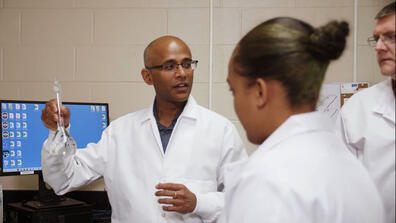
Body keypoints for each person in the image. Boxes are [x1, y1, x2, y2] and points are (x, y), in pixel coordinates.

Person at [41, 35, 247, 223]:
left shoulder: (220, 130)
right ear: (147, 76)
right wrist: (57, 132)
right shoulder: (120, 132)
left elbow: (244, 200)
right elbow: (63, 180)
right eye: (170, 66)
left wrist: (198, 202)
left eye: (187, 64)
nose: (182, 73)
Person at [219, 17, 385, 223]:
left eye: (234, 90)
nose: (235, 103)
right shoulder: (354, 169)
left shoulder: (267, 179)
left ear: (260, 92)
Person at [336, 2, 395, 223]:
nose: (379, 47)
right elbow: (342, 188)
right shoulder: (357, 109)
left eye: (391, 36)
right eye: (377, 38)